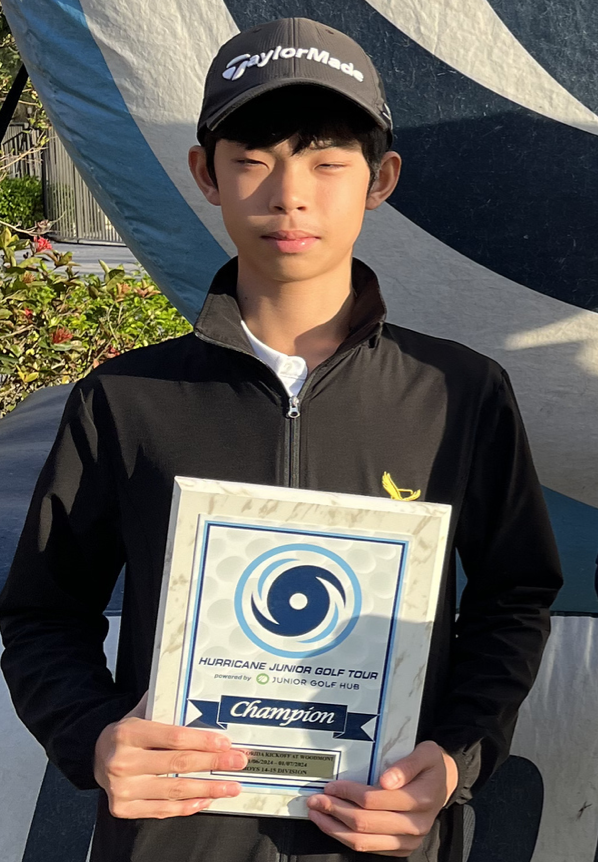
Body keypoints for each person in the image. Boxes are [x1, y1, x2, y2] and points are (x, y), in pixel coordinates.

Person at [0, 17, 562, 862]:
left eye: (328, 161)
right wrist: (95, 736)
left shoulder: (460, 395)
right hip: (171, 841)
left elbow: (512, 599)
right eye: (253, 159)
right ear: (207, 174)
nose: (290, 194)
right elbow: (43, 613)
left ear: (380, 179)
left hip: (378, 836)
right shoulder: (126, 400)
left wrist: (453, 761)